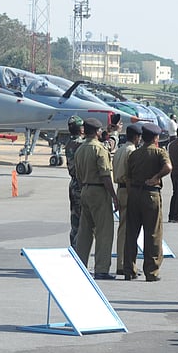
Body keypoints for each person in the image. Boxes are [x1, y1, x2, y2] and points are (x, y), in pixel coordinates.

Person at [124, 123, 172, 281]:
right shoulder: (159, 152)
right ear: (156, 138)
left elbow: (128, 177)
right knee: (152, 233)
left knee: (131, 232)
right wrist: (156, 177)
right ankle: (151, 271)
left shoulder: (134, 154)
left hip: (134, 193)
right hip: (150, 194)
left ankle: (129, 269)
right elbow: (168, 167)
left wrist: (132, 194)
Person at [74, 118, 120, 279]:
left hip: (85, 189)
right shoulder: (99, 149)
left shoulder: (80, 149)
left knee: (84, 232)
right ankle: (101, 268)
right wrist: (114, 196)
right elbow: (105, 175)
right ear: (97, 131)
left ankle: (80, 265)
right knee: (104, 232)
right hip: (99, 190)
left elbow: (78, 175)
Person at [112, 123, 141, 277]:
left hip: (120, 189)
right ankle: (125, 264)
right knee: (128, 230)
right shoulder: (132, 151)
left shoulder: (120, 150)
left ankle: (122, 263)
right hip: (128, 190)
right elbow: (130, 175)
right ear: (136, 137)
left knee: (122, 228)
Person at [65, 116, 85, 246]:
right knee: (81, 223)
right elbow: (105, 147)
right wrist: (113, 135)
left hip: (73, 184)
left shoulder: (70, 142)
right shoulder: (80, 144)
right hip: (80, 186)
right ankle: (78, 250)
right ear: (81, 129)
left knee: (75, 220)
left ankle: (74, 248)